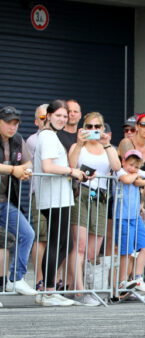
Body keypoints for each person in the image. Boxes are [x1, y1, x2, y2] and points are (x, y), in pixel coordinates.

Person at [33, 99, 85, 306]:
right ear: (49, 116)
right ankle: (48, 290)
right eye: (59, 116)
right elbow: (48, 166)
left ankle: (48, 288)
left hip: (61, 196)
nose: (63, 119)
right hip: (53, 197)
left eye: (65, 116)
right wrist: (72, 171)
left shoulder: (51, 136)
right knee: (57, 242)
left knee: (65, 243)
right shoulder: (46, 136)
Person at [67, 112, 120, 305]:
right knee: (79, 246)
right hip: (81, 194)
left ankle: (88, 288)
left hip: (101, 197)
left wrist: (106, 144)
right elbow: (71, 165)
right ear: (83, 128)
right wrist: (80, 143)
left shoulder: (109, 147)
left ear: (103, 128)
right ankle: (79, 290)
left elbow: (116, 166)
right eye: (89, 127)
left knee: (92, 251)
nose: (93, 130)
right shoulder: (77, 146)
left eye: (97, 127)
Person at [0, 106, 37, 297]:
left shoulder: (17, 140)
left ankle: (16, 279)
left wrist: (22, 170)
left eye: (15, 123)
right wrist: (12, 170)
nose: (12, 127)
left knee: (27, 234)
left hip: (5, 200)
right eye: (8, 122)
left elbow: (29, 163)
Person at [113, 149, 145, 295]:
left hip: (135, 217)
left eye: (136, 166)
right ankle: (122, 282)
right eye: (130, 164)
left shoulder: (136, 174)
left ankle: (138, 278)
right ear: (123, 162)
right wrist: (135, 176)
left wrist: (141, 181)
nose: (133, 168)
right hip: (123, 217)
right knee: (126, 252)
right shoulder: (119, 171)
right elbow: (126, 179)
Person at [25, 103, 49, 291]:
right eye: (42, 118)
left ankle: (54, 279)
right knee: (40, 237)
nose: (46, 120)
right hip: (39, 193)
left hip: (58, 195)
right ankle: (39, 279)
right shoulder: (35, 139)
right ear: (36, 121)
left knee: (56, 238)